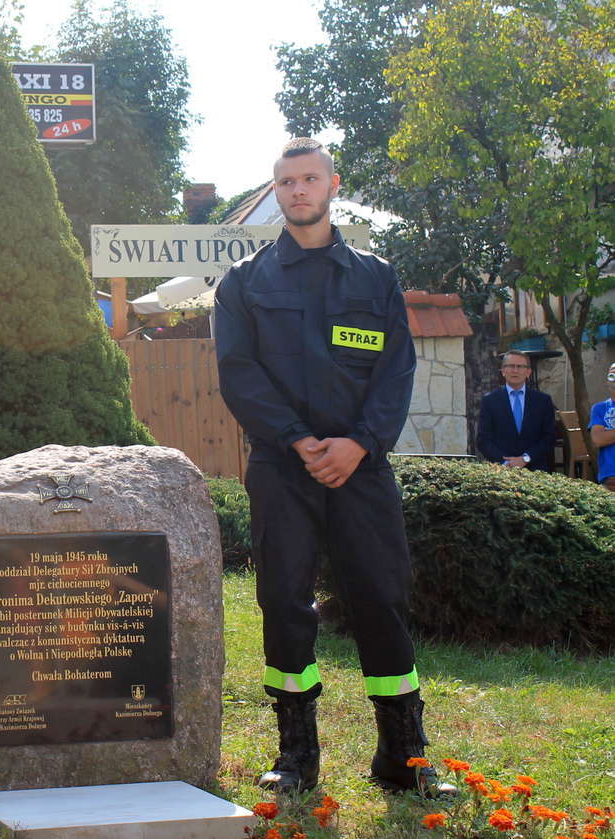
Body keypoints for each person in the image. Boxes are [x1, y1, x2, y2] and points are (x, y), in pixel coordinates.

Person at [215, 138, 452, 797]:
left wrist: (359, 444)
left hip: (362, 468)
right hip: (282, 468)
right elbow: (239, 376)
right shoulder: (244, 283)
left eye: (309, 178)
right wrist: (297, 440)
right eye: (286, 181)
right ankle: (296, 757)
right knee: (284, 602)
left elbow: (395, 370)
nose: (298, 190)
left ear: (331, 184)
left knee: (381, 597)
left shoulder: (375, 278)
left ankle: (403, 758)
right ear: (276, 191)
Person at [476, 351, 556, 470]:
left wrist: (525, 458)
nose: (515, 370)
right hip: (501, 470)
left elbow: (549, 438)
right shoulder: (490, 401)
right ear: (503, 371)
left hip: (536, 470)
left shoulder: (543, 401)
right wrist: (505, 462)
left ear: (528, 372)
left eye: (520, 366)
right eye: (510, 366)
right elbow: (483, 440)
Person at [589, 362, 615, 491]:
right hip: (610, 478)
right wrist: (605, 437)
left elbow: (605, 437)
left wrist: (609, 434)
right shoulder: (600, 408)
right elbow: (598, 439)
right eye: (612, 374)